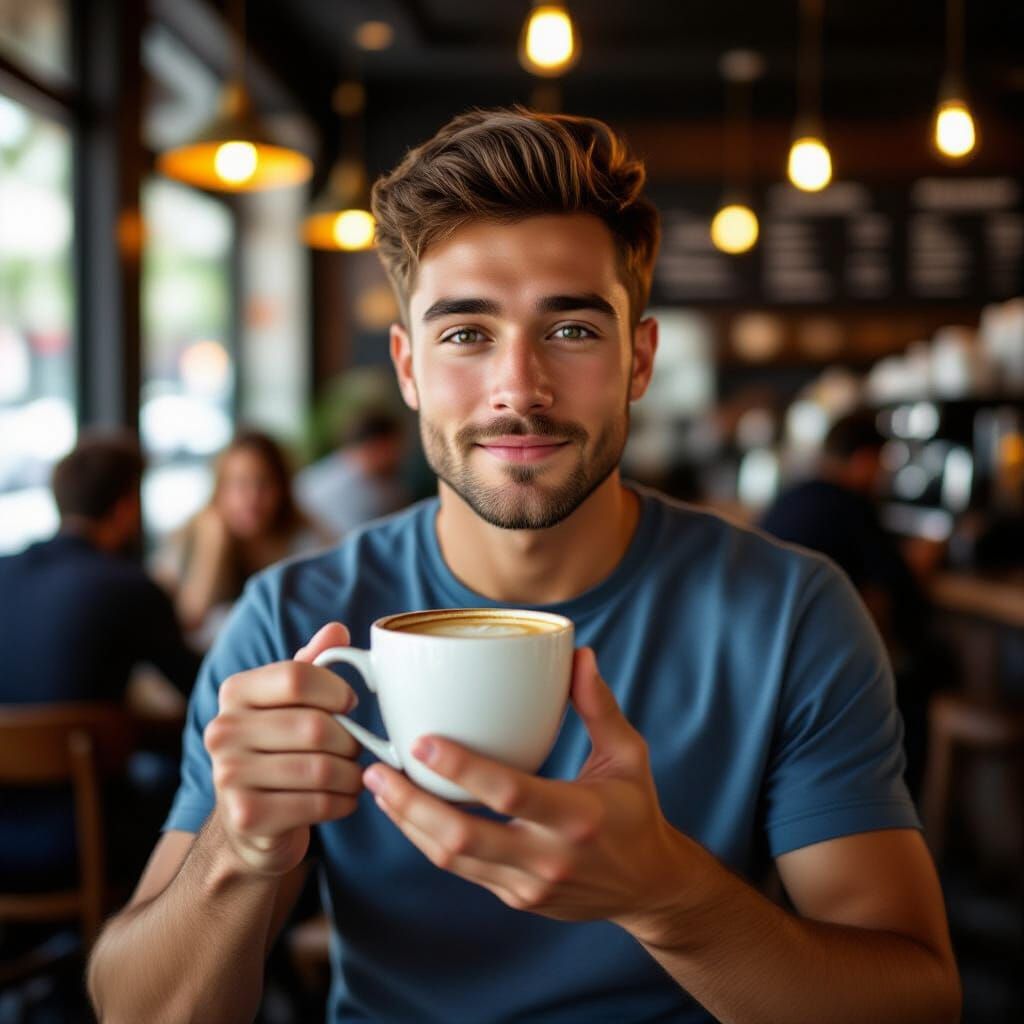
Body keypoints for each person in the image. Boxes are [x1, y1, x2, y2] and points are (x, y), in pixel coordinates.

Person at [88, 109, 960, 1023]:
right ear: (408, 368)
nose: (519, 387)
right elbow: (132, 1011)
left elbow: (918, 1003)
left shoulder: (789, 613)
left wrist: (672, 898)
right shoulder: (291, 622)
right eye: (465, 334)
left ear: (639, 358)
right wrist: (237, 854)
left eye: (574, 330)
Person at [0, 432, 200, 887]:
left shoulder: (3, 570)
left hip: (6, 820)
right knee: (188, 786)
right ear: (127, 507)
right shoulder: (129, 585)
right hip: (80, 832)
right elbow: (203, 691)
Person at [759, 410, 948, 796]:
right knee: (930, 670)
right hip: (825, 676)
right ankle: (905, 805)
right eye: (881, 465)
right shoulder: (851, 505)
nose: (882, 476)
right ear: (865, 460)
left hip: (771, 671)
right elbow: (896, 590)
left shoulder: (791, 497)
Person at [158, 429, 330, 638]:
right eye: (239, 484)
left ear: (282, 490)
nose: (252, 498)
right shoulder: (188, 538)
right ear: (219, 489)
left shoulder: (304, 539)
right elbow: (186, 623)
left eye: (263, 483)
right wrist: (212, 546)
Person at [295, 406, 409, 539]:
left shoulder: (380, 482)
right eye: (394, 448)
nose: (400, 455)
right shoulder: (333, 486)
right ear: (379, 445)